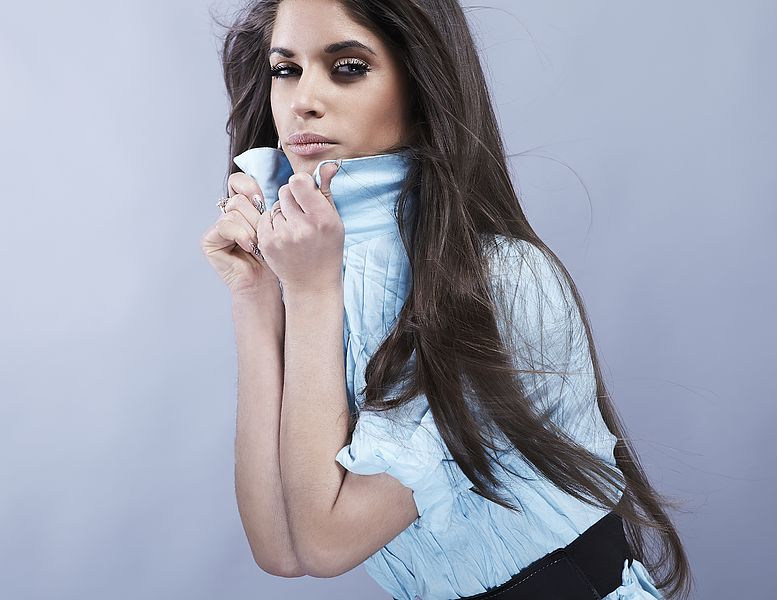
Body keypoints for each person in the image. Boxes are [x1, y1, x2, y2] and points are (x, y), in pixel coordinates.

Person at [200, 1, 692, 599]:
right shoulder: (316, 263)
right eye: (286, 69)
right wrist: (255, 296)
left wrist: (307, 292)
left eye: (348, 67)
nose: (303, 98)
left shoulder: (502, 279)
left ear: (420, 81)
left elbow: (326, 542)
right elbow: (280, 550)